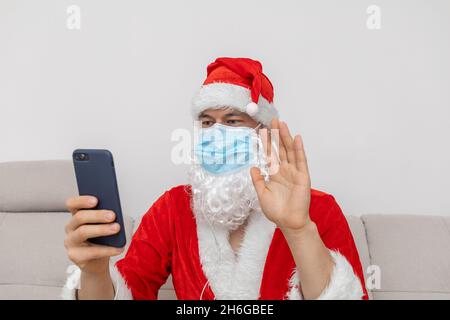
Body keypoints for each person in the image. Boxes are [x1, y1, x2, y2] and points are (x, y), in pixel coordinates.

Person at [62, 57, 368, 300]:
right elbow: (131, 288)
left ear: (263, 133)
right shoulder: (173, 208)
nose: (216, 133)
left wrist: (298, 230)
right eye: (207, 122)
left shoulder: (318, 209)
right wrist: (95, 273)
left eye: (232, 121)